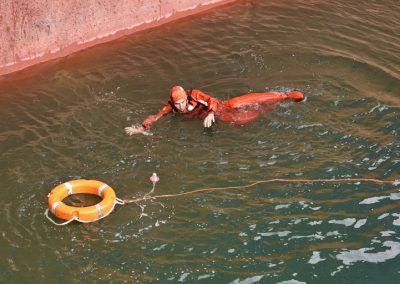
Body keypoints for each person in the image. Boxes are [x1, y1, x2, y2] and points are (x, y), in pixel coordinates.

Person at [125, 86, 304, 135]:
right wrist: (141, 127)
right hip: (208, 116)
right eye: (176, 104)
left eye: (181, 103)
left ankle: (284, 95)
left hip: (217, 107)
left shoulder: (194, 94)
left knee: (235, 104)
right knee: (237, 120)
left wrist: (211, 112)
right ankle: (266, 109)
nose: (179, 107)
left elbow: (211, 100)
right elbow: (156, 117)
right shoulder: (170, 107)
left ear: (186, 98)